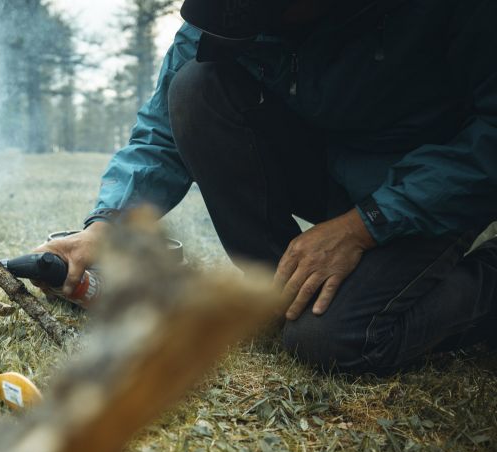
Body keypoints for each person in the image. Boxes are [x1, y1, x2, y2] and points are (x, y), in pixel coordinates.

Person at [40, 0, 497, 373]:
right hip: (329, 169)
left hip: (431, 187)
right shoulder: (229, 17)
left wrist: (364, 226)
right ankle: (279, 289)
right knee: (194, 88)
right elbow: (160, 132)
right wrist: (106, 225)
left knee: (333, 340)